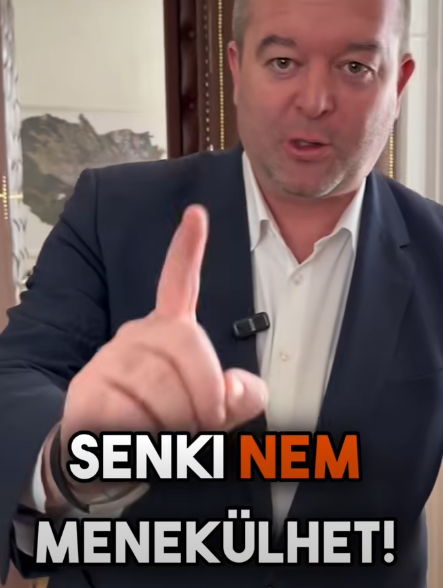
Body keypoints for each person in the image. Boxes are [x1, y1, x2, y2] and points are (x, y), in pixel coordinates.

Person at [0, 0, 440, 586]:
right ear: (236, 68)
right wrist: (78, 455)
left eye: (355, 67)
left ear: (399, 82)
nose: (315, 100)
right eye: (282, 62)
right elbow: (17, 374)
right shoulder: (112, 211)